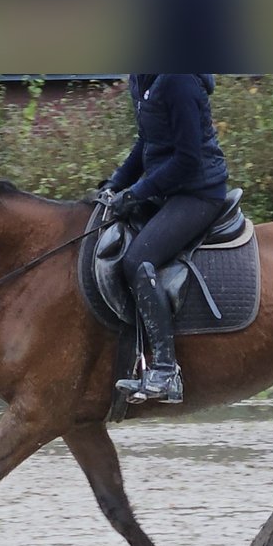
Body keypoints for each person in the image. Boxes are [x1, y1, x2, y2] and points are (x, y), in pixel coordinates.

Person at [101, 73, 229, 404]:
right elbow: (148, 142)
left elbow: (189, 160)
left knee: (138, 260)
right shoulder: (141, 79)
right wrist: (115, 184)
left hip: (199, 192)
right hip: (167, 190)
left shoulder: (178, 80)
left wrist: (137, 193)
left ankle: (166, 369)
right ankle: (135, 361)